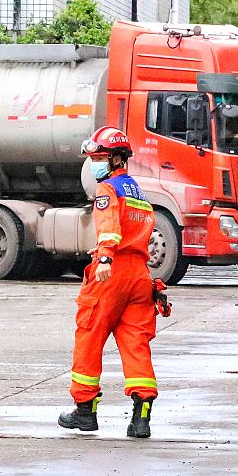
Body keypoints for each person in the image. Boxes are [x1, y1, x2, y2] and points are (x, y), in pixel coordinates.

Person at [58, 126, 160, 438]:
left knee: (89, 335)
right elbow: (137, 231)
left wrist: (104, 257)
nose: (95, 164)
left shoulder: (108, 190)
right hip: (140, 275)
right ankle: (141, 419)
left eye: (100, 157)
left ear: (117, 159)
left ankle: (85, 412)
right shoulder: (138, 193)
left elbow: (110, 226)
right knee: (135, 344)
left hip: (112, 273)